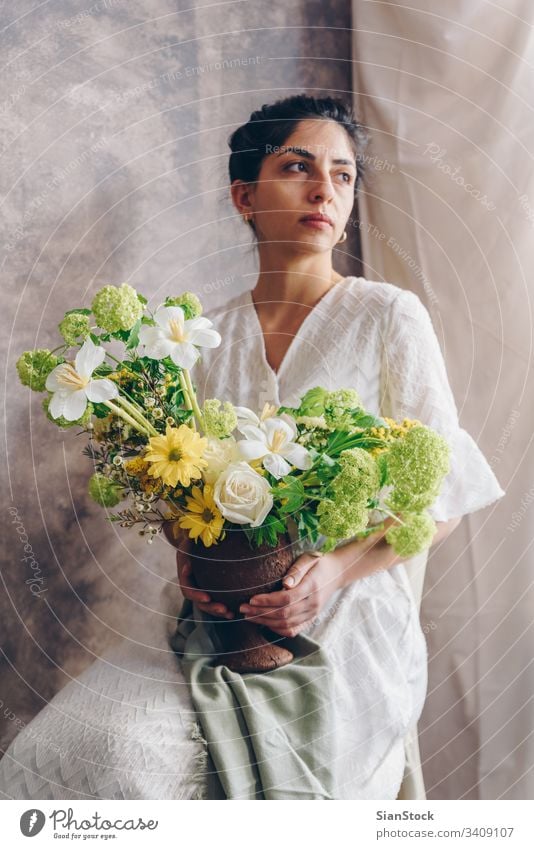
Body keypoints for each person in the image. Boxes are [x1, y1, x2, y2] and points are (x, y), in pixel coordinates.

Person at [0, 95, 505, 801]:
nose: (324, 189)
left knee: (170, 772)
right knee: (78, 750)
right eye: (298, 167)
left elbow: (443, 498)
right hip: (217, 622)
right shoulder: (201, 337)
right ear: (245, 195)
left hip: (347, 620)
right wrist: (193, 557)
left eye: (343, 174)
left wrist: (329, 573)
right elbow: (182, 497)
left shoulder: (389, 316)